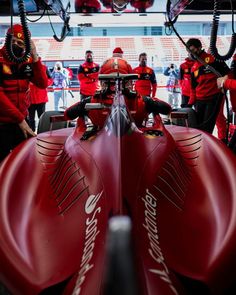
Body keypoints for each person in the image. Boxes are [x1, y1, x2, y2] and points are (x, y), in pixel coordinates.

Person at [0, 24, 49, 162]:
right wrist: (20, 120)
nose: (16, 44)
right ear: (6, 40)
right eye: (13, 41)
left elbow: (42, 83)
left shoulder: (26, 60)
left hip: (21, 121)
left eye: (21, 43)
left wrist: (35, 57)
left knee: (24, 162)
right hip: (3, 124)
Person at [187, 38, 230, 135]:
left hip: (213, 99)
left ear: (199, 47)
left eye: (193, 50)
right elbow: (193, 88)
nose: (191, 53)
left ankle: (220, 140)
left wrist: (224, 88)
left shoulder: (213, 59)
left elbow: (228, 73)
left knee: (207, 128)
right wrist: (189, 103)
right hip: (199, 101)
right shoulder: (194, 67)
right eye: (189, 51)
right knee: (199, 127)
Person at [27, 66, 52, 132]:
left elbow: (50, 80)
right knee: (30, 118)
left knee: (42, 118)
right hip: (30, 99)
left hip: (41, 98)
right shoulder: (25, 67)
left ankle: (42, 132)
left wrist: (42, 84)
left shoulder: (44, 68)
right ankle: (31, 133)